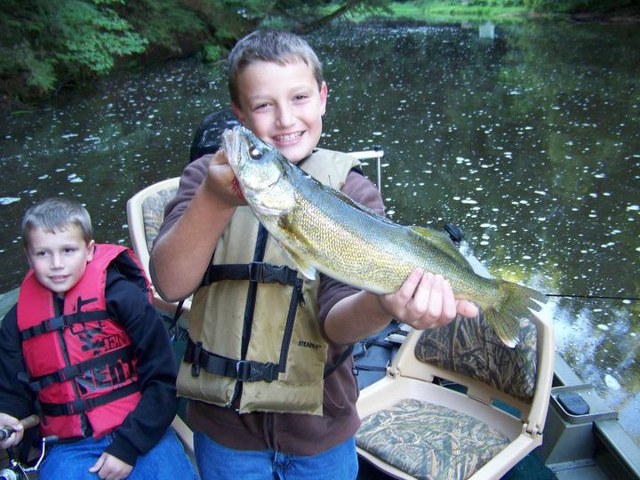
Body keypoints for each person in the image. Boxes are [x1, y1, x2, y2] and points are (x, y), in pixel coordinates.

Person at [150, 29, 479, 480]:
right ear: (240, 114)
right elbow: (169, 283)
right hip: (225, 430)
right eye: (264, 105)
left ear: (323, 98)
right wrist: (214, 200)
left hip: (321, 428)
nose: (285, 120)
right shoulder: (204, 180)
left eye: (300, 97)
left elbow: (336, 324)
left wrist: (385, 304)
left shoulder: (354, 190)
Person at [0, 198, 197, 480]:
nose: (57, 264)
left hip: (141, 430)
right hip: (70, 446)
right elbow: (11, 391)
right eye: (43, 254)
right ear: (28, 257)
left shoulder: (123, 298)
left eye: (68, 250)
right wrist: (7, 414)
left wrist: (127, 447)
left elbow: (163, 379)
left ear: (89, 250)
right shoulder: (15, 322)